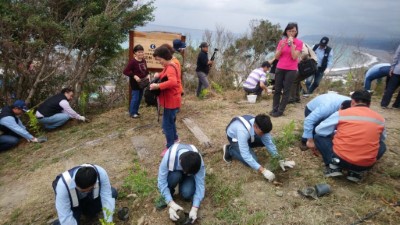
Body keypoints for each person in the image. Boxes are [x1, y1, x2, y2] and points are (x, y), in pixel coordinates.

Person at [314, 90, 386, 182]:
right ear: (369, 104)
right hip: (364, 165)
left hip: (340, 160)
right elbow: (382, 138)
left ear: (352, 101)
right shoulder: (380, 119)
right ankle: (356, 172)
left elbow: (319, 130)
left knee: (319, 137)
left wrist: (335, 134)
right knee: (382, 145)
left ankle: (333, 167)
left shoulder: (342, 113)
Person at [222, 114, 295, 182]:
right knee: (253, 160)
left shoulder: (262, 127)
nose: (264, 134)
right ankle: (230, 149)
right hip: (235, 138)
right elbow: (246, 155)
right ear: (255, 126)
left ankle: (245, 144)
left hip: (249, 137)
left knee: (268, 140)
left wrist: (279, 159)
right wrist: (263, 170)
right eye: (262, 132)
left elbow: (269, 143)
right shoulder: (242, 131)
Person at [52, 164, 117, 225]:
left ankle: (89, 213)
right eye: (82, 191)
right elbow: (65, 215)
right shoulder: (62, 186)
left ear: (94, 184)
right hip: (73, 207)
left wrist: (108, 222)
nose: (85, 192)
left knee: (112, 193)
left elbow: (107, 196)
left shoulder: (101, 173)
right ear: (75, 183)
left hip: (91, 200)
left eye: (89, 190)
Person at [158, 143, 205, 223]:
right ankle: (170, 192)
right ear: (180, 162)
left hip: (187, 171)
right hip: (174, 173)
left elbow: (200, 184)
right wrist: (171, 203)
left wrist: (195, 208)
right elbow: (161, 182)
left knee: (187, 193)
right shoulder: (169, 158)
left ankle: (184, 182)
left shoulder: (199, 163)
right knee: (175, 176)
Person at [149, 46, 181, 156]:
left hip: (171, 101)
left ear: (164, 57)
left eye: (160, 60)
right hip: (171, 100)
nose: (160, 62)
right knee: (170, 121)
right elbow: (164, 73)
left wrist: (158, 85)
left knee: (166, 124)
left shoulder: (171, 67)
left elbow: (173, 82)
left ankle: (170, 146)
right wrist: (159, 75)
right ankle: (175, 139)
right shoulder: (169, 65)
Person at [271, 22, 303, 117]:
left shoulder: (299, 43)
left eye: (294, 31)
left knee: (286, 90)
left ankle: (280, 111)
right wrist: (281, 47)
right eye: (290, 31)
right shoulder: (282, 42)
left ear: (296, 32)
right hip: (280, 67)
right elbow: (276, 57)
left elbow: (294, 57)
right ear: (286, 31)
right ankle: (274, 109)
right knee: (277, 89)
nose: (292, 33)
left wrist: (292, 45)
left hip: (291, 69)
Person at [123, 44, 149, 118]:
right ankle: (132, 113)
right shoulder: (133, 61)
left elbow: (145, 70)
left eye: (142, 52)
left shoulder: (143, 60)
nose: (141, 53)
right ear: (135, 53)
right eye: (139, 52)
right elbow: (125, 71)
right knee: (135, 98)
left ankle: (136, 111)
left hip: (143, 82)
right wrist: (134, 76)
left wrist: (148, 75)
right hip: (135, 83)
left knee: (140, 97)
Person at [381, 44, 400, 109]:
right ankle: (396, 105)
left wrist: (392, 68)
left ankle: (384, 104)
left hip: (397, 70)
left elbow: (396, 57)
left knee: (390, 88)